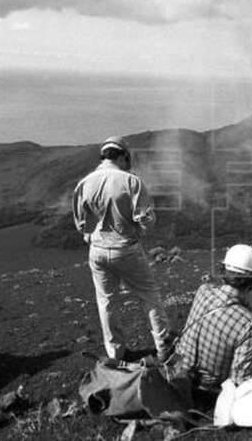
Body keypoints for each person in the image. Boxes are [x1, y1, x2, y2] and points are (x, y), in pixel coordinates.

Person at [73, 135, 172, 361]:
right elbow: (146, 219)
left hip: (97, 250)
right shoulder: (130, 181)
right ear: (123, 155)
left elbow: (81, 224)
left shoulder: (84, 183)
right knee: (149, 295)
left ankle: (116, 352)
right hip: (126, 248)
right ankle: (164, 347)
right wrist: (137, 232)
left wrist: (91, 236)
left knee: (106, 301)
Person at [173, 244, 252, 397]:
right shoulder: (250, 324)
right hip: (207, 389)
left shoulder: (203, 291)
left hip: (178, 371)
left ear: (223, 272)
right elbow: (239, 380)